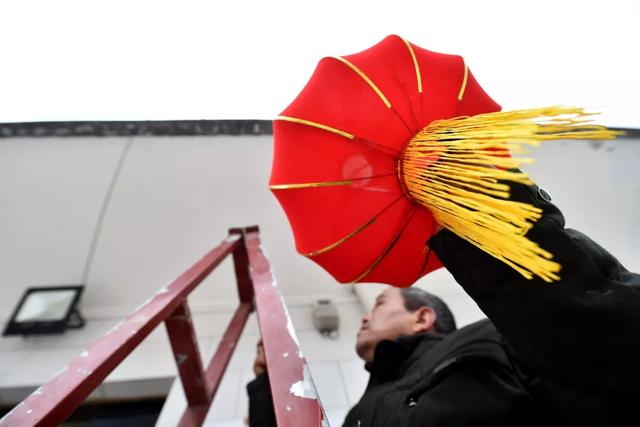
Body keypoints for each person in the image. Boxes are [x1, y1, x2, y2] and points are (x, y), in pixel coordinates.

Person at [247, 181, 640, 426]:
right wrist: (267, 385)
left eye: (381, 303)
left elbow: (610, 338)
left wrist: (481, 209)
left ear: (422, 317)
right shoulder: (358, 414)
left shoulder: (496, 337)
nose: (366, 316)